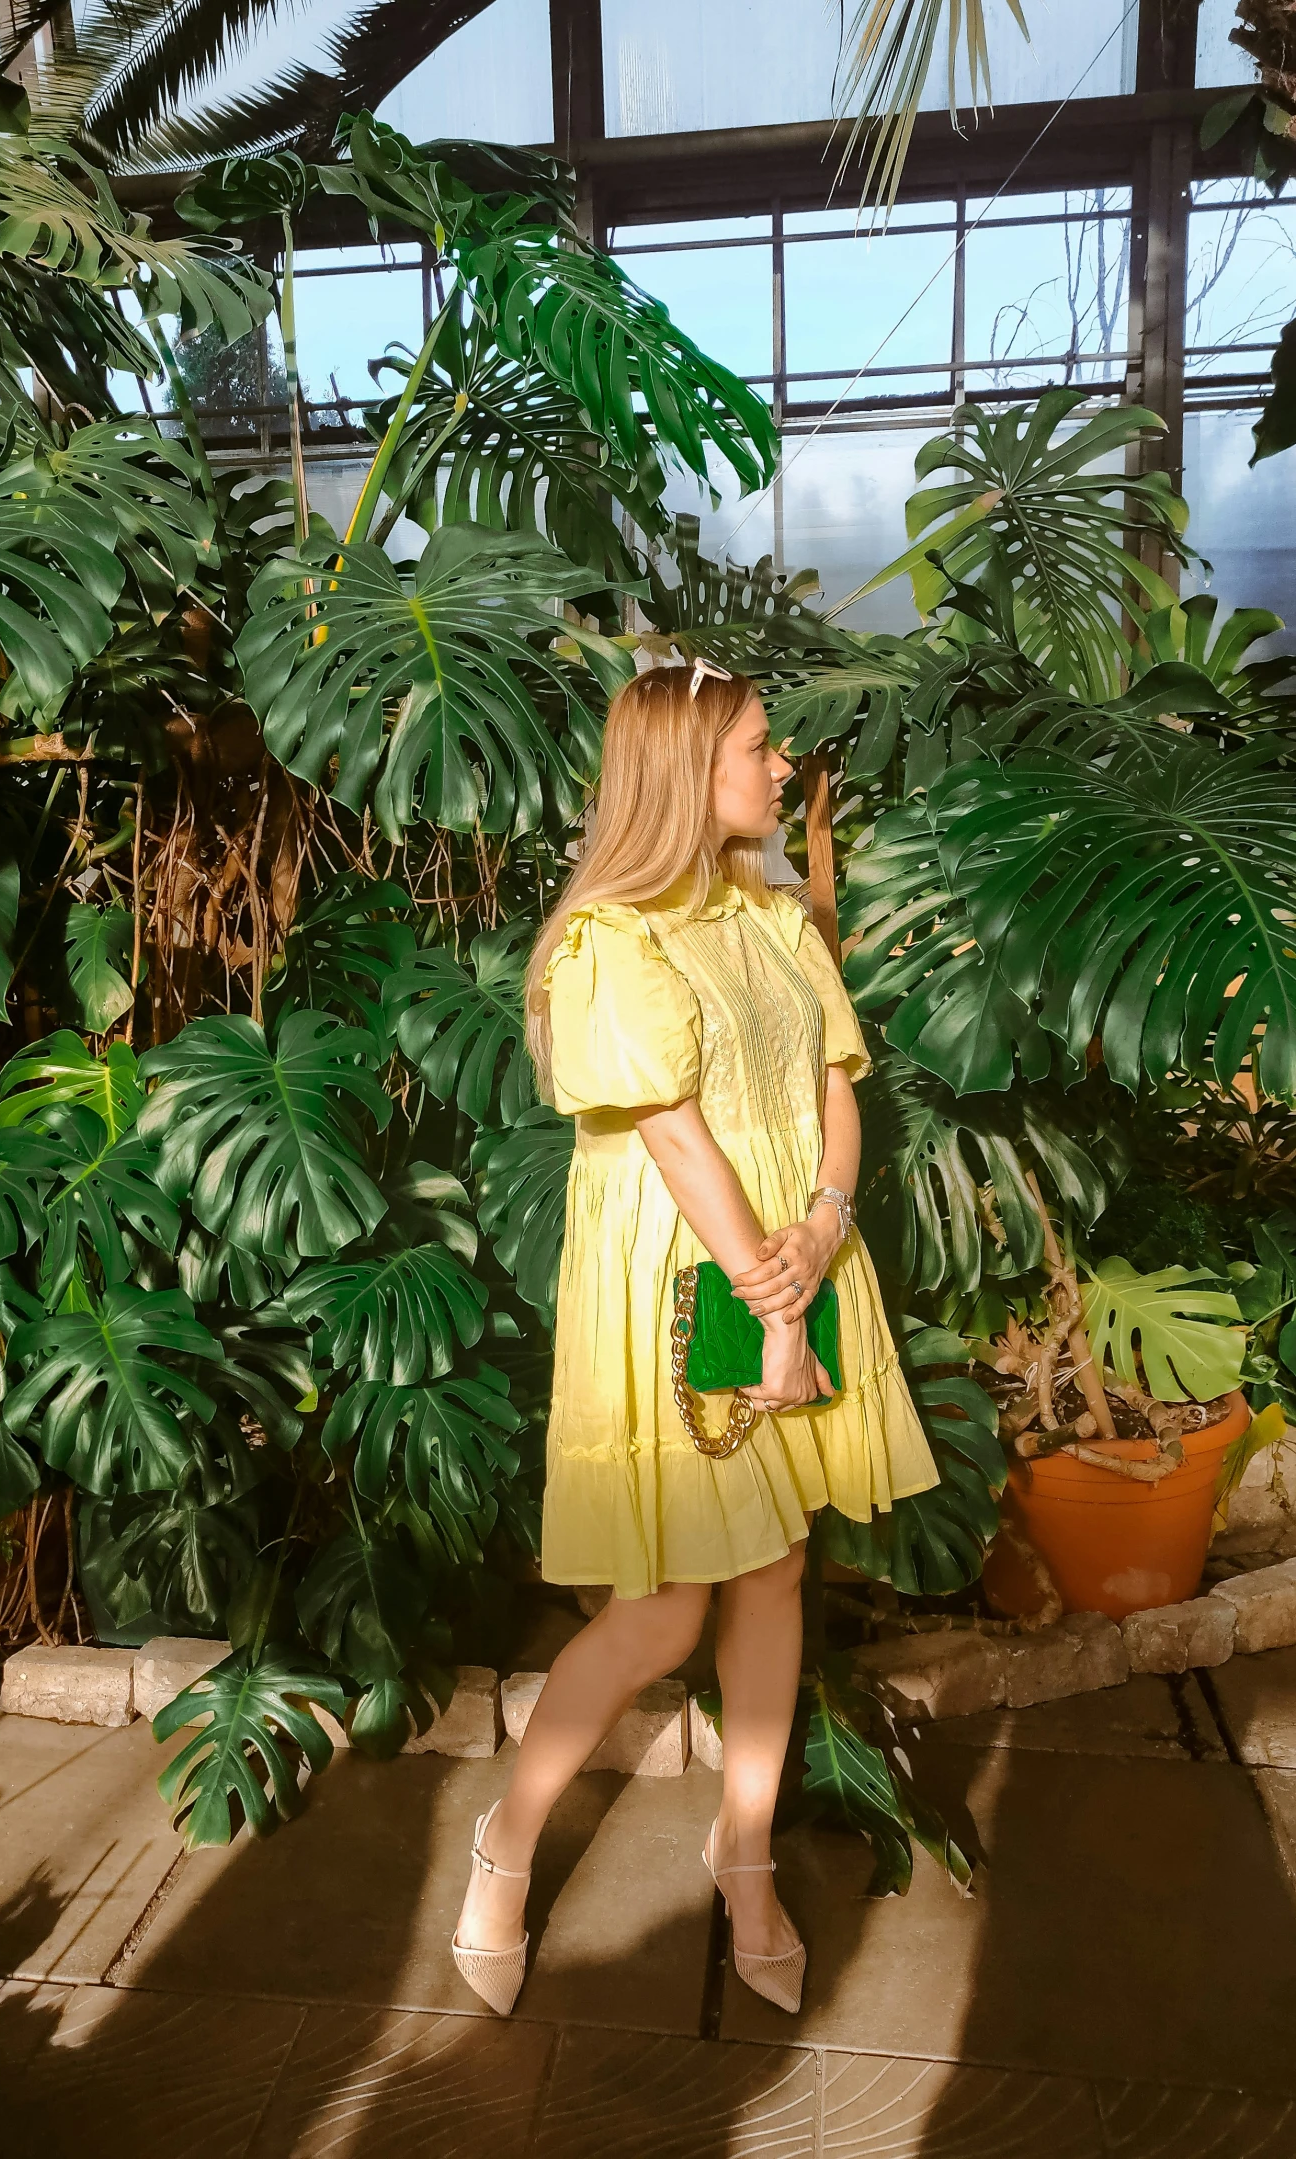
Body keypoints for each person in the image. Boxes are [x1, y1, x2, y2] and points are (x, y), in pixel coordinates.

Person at [450, 656, 939, 2019]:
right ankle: (506, 1841)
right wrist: (774, 1291)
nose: (782, 768)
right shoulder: (613, 941)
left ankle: (741, 1847)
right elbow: (669, 1133)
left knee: (778, 1570)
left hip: (794, 1250)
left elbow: (839, 1084)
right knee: (661, 1607)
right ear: (681, 772)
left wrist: (827, 1224)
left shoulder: (771, 915)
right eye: (758, 747)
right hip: (685, 1286)